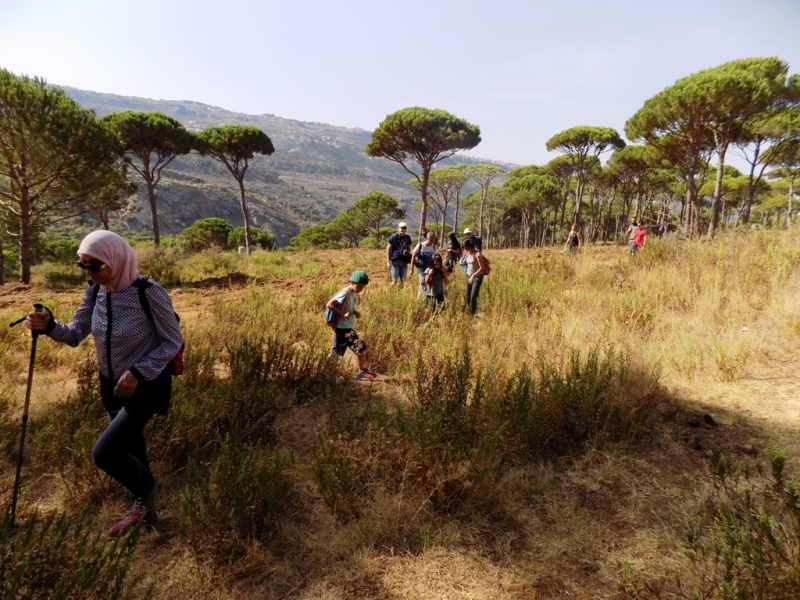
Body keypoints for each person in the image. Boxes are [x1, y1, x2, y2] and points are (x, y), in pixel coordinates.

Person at [25, 230, 183, 536]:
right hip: (111, 386)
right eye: (82, 264)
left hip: (145, 384)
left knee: (105, 452)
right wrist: (48, 325)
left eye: (95, 265)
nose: (88, 271)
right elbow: (74, 334)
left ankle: (149, 486)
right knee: (132, 450)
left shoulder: (148, 292)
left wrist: (137, 372)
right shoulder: (95, 291)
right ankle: (142, 511)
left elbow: (171, 342)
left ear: (116, 259)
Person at [326, 270, 376, 381]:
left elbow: (346, 307)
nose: (360, 290)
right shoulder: (345, 292)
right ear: (351, 282)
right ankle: (361, 371)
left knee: (335, 353)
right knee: (360, 347)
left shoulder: (352, 293)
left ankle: (323, 370)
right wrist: (343, 314)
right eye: (359, 287)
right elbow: (329, 305)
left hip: (343, 327)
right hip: (344, 328)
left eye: (363, 288)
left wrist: (354, 312)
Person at [463, 238, 487, 316]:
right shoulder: (467, 252)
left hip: (477, 277)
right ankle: (468, 311)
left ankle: (472, 314)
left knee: (473, 296)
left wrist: (473, 276)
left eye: (465, 247)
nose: (464, 249)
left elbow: (482, 268)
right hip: (468, 275)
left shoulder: (477, 255)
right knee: (468, 295)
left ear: (469, 247)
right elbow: (463, 262)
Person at [410, 232, 438, 297]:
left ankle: (424, 298)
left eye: (433, 240)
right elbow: (413, 257)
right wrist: (412, 268)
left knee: (428, 283)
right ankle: (420, 298)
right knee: (423, 282)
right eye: (431, 240)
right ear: (427, 239)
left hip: (430, 269)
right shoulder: (420, 245)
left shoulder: (434, 247)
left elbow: (436, 258)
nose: (432, 242)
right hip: (421, 268)